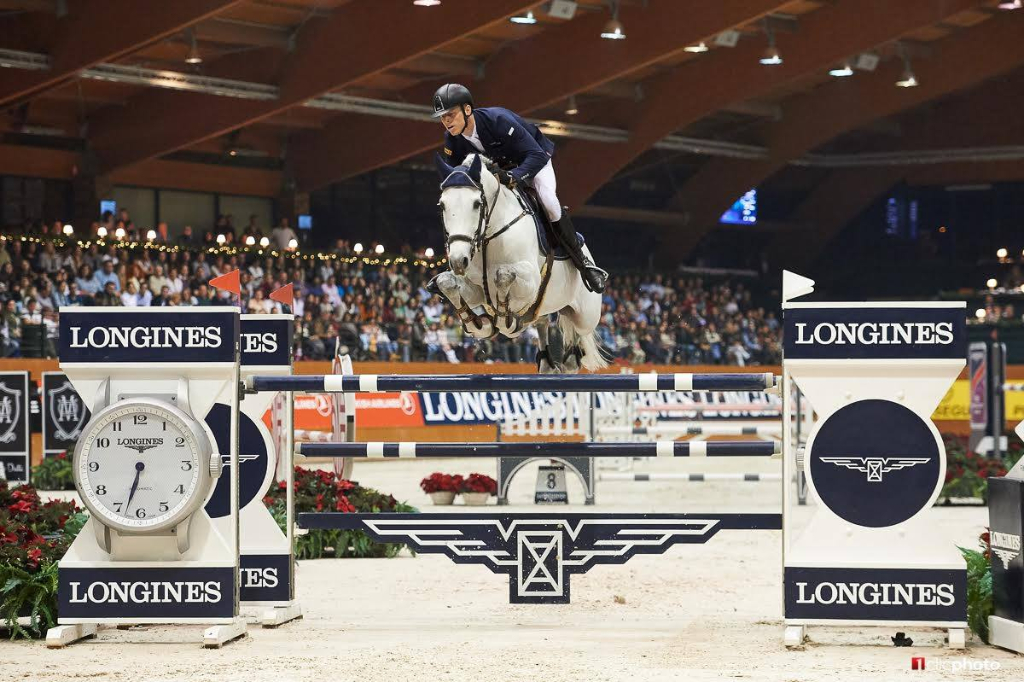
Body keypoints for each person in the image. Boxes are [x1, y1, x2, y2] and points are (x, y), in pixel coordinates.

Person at [431, 83, 607, 293]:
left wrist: (514, 177)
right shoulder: (452, 140)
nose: (446, 121)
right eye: (443, 117)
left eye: (450, 114)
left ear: (467, 110)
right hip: (502, 172)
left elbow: (536, 155)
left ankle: (584, 264)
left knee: (548, 201)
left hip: (534, 160)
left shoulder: (498, 121)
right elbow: (457, 178)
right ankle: (457, 268)